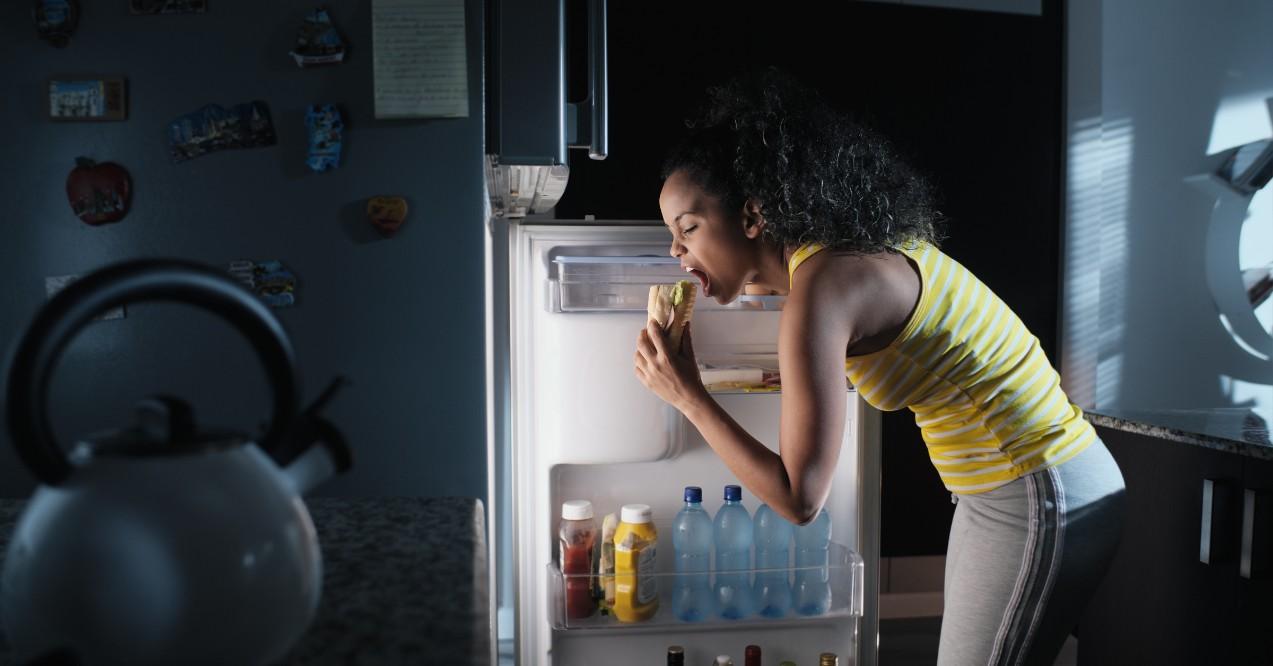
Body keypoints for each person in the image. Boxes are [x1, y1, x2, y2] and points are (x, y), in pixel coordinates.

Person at [633, 68, 1125, 666]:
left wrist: (690, 397)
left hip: (1038, 486)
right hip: (1003, 489)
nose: (675, 252)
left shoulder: (824, 289)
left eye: (687, 229)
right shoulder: (837, 255)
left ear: (754, 216)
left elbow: (798, 497)